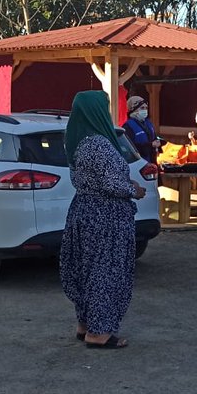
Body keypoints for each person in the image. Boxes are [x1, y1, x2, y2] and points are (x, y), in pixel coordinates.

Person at [61, 90, 147, 350]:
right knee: (105, 273)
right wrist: (134, 190)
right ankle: (99, 334)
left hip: (84, 211)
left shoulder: (75, 140)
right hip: (106, 217)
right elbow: (111, 183)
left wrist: (125, 182)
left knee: (88, 271)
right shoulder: (98, 143)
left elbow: (98, 179)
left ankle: (85, 325)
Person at [122, 95, 160, 162]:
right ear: (133, 109)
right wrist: (150, 145)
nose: (145, 110)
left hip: (151, 163)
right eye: (142, 108)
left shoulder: (148, 124)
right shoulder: (128, 126)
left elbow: (153, 138)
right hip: (138, 165)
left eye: (146, 108)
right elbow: (130, 149)